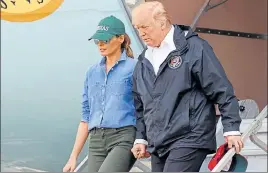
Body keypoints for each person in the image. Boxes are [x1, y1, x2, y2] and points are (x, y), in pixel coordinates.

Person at [130, 1, 244, 172]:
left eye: (145, 27)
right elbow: (140, 105)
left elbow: (221, 89)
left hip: (190, 136)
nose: (141, 33)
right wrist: (141, 138)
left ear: (162, 22)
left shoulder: (193, 48)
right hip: (159, 142)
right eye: (137, 28)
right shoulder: (143, 61)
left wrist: (232, 128)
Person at [63, 15, 137, 172]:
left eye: (106, 40)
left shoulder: (135, 68)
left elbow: (147, 106)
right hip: (96, 140)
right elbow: (86, 117)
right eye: (98, 41)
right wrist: (73, 156)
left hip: (124, 136)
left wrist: (144, 140)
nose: (101, 45)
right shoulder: (92, 72)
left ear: (120, 38)